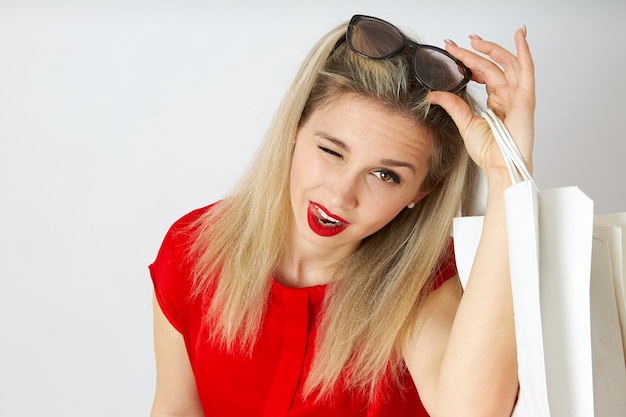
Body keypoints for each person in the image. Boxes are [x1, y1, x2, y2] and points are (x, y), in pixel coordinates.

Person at [149, 14, 534, 417]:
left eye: (385, 175)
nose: (340, 195)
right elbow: (175, 407)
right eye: (331, 151)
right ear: (295, 130)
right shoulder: (192, 248)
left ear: (421, 192)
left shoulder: (427, 286)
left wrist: (506, 173)